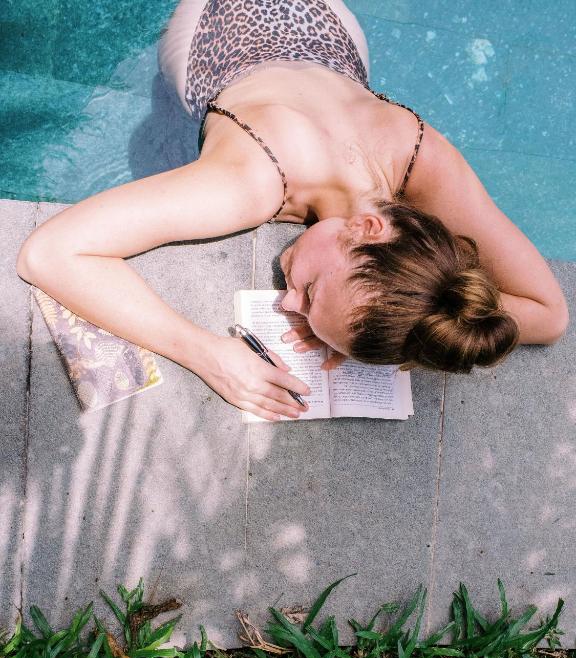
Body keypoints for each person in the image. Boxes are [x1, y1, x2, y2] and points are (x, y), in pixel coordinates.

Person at [16, 0, 569, 422]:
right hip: (213, 25)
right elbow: (50, 252)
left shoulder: (421, 156)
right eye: (309, 291)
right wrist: (209, 355)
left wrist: (406, 325)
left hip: (328, 24)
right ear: (368, 227)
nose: (288, 303)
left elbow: (551, 314)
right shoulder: (250, 183)